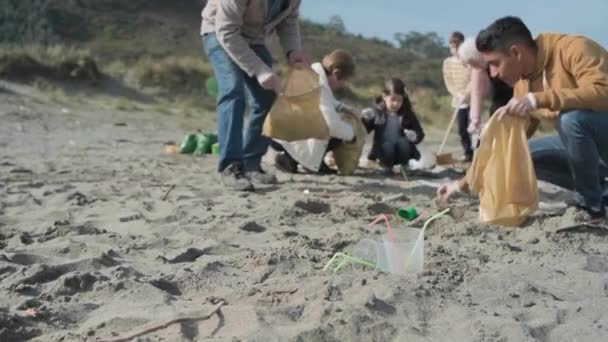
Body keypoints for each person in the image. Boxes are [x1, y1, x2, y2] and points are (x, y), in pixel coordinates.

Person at [437, 16, 608, 219]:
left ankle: (590, 206)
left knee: (572, 120)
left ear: (516, 52)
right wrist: (462, 184)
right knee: (522, 153)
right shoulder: (522, 83)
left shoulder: (574, 48)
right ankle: (602, 189)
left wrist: (538, 100)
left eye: (494, 63)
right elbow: (504, 147)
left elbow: (603, 92)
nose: (493, 74)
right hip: (591, 150)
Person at [201, 0, 307, 191]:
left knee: (267, 98)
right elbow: (226, 31)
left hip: (254, 40)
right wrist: (259, 69)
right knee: (233, 90)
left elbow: (288, 21)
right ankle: (230, 166)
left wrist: (293, 50)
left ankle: (251, 163)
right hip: (219, 32)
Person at [272, 49, 358, 175]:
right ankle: (297, 160)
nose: (341, 85)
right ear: (335, 73)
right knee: (336, 136)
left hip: (278, 130)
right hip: (284, 135)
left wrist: (345, 108)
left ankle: (294, 160)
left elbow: (328, 101)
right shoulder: (319, 85)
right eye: (342, 81)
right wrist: (352, 135)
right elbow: (331, 125)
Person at [361, 78, 425, 175]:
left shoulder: (407, 114)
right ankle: (386, 167)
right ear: (384, 96)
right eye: (393, 99)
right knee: (387, 145)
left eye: (399, 100)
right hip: (384, 153)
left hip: (402, 153)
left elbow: (420, 133)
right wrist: (365, 119)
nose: (396, 104)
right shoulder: (377, 111)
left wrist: (414, 136)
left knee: (403, 142)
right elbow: (363, 130)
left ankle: (404, 166)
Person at [457, 37, 513, 136]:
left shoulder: (498, 59)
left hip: (515, 95)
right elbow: (477, 92)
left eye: (471, 63)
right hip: (499, 99)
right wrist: (475, 120)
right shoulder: (477, 68)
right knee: (495, 117)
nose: (471, 67)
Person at [442, 31, 473, 162]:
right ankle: (467, 152)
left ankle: (477, 152)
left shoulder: (469, 61)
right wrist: (457, 94)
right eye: (452, 47)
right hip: (458, 100)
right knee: (462, 129)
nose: (454, 50)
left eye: (457, 47)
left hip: (472, 100)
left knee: (473, 129)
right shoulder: (447, 63)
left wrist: (466, 93)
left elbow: (474, 79)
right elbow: (448, 81)